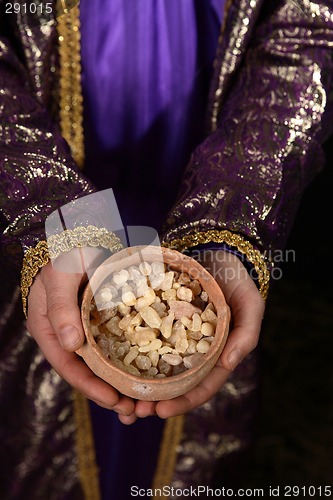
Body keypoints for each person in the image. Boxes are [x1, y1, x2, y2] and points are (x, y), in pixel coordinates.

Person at [0, 0, 332, 498]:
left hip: (207, 87)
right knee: (47, 395)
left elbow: (307, 30)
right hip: (49, 104)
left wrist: (229, 220)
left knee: (196, 435)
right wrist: (55, 218)